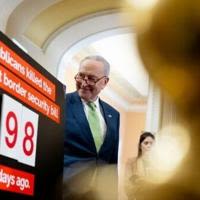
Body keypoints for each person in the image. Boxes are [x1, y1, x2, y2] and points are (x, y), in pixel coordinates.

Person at [63, 55, 120, 199]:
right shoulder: (61, 102)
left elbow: (112, 163)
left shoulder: (114, 115)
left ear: (104, 82)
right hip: (65, 191)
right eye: (81, 76)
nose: (83, 83)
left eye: (91, 78)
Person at [125, 132, 155, 200]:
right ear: (140, 145)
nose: (149, 146)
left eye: (151, 143)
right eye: (146, 143)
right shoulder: (131, 162)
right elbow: (127, 184)